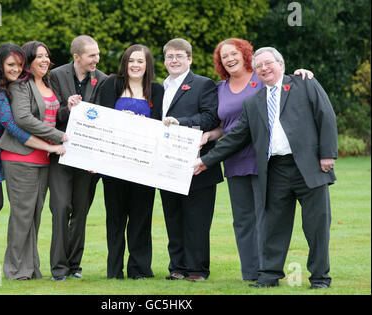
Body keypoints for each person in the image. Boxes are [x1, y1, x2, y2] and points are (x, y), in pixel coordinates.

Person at [194, 47, 337, 289]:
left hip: (310, 167)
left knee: (316, 226)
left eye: (268, 63)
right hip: (275, 170)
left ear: (281, 64)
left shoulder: (304, 83)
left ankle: (320, 278)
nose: (264, 68)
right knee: (273, 227)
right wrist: (205, 161)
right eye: (259, 66)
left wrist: (327, 154)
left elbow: (326, 116)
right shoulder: (254, 102)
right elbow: (235, 137)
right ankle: (269, 276)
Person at [0, 43, 65, 279]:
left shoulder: (4, 81)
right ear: (0, 64)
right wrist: (51, 146)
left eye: (19, 64)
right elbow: (16, 127)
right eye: (11, 65)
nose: (16, 69)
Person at [0, 41, 67, 280]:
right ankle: (15, 270)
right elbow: (23, 118)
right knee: (22, 215)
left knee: (34, 215)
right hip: (20, 157)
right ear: (28, 60)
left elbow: (53, 115)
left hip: (44, 159)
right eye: (39, 56)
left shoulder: (49, 83)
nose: (45, 60)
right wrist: (59, 137)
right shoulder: (21, 85)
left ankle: (31, 269)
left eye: (47, 56)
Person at [97, 44, 163, 279]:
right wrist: (118, 119)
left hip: (144, 167)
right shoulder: (112, 84)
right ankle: (115, 271)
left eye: (140, 61)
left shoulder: (156, 90)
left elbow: (159, 125)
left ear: (148, 65)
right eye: (131, 60)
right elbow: (101, 119)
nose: (135, 65)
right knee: (115, 219)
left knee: (141, 219)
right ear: (125, 63)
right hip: (114, 165)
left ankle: (139, 269)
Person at [160, 38, 223, 282]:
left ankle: (197, 269)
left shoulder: (203, 84)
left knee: (197, 219)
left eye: (179, 56)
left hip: (198, 164)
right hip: (166, 164)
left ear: (190, 59)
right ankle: (177, 267)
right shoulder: (159, 87)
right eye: (169, 57)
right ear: (164, 60)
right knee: (173, 217)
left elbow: (210, 118)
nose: (173, 61)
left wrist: (180, 123)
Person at [48, 35, 107, 281]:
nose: (97, 59)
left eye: (98, 54)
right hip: (61, 153)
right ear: (76, 57)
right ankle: (59, 269)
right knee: (61, 208)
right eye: (92, 55)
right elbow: (50, 114)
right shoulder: (56, 76)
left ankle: (74, 267)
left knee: (80, 211)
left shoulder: (104, 80)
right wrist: (67, 108)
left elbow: (106, 120)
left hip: (88, 157)